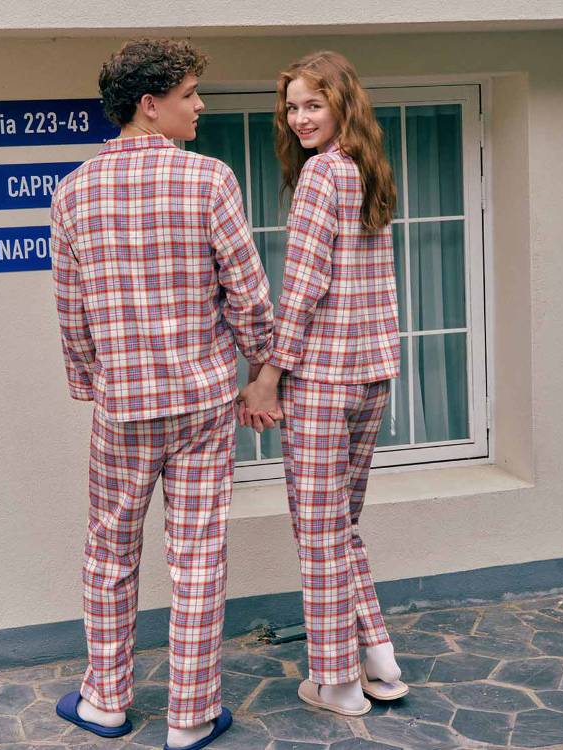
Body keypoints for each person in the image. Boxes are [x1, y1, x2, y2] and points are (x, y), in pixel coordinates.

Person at [50, 38, 274, 748]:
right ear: (149, 105)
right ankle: (191, 717)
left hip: (123, 408)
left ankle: (105, 702)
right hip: (202, 403)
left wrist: (91, 379)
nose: (200, 104)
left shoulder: (72, 191)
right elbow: (249, 294)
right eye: (188, 94)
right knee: (198, 557)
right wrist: (259, 370)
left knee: (109, 553)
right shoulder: (210, 180)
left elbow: (71, 311)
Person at [239, 50, 407, 715]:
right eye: (292, 107)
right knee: (340, 526)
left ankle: (336, 682)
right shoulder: (370, 169)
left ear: (342, 103)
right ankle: (381, 662)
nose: (300, 118)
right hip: (372, 377)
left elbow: (304, 286)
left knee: (319, 531)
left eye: (314, 104)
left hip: (323, 383)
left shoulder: (321, 175)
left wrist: (268, 377)